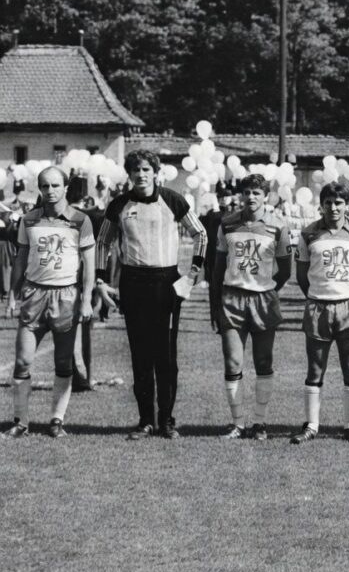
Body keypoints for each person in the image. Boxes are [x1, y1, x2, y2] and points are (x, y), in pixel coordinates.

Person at [94, 150, 208, 440]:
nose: (141, 174)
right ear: (129, 174)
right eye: (136, 170)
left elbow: (201, 234)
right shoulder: (119, 203)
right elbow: (102, 241)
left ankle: (167, 421)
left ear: (155, 172)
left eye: (146, 169)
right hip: (133, 284)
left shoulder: (172, 200)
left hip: (165, 283)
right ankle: (145, 421)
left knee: (165, 356)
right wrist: (101, 280)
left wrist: (194, 271)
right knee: (140, 355)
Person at [2, 167, 94, 438]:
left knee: (63, 362)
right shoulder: (28, 220)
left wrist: (87, 299)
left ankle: (56, 420)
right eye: (45, 186)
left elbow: (88, 264)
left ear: (66, 187)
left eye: (55, 185)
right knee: (22, 361)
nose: (50, 191)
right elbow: (20, 259)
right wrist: (11, 295)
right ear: (39, 189)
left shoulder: (80, 220)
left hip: (66, 296)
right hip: (34, 295)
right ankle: (20, 422)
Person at [289, 182, 349, 444]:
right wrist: (322, 292)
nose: (333, 207)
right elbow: (302, 277)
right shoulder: (308, 233)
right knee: (315, 369)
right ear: (322, 204)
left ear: (347, 205)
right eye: (328, 202)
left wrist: (346, 289)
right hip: (318, 306)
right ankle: (312, 425)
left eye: (339, 202)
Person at [209, 174, 292, 441]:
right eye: (247, 192)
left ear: (266, 196)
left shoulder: (279, 226)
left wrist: (265, 289)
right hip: (232, 298)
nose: (251, 197)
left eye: (257, 192)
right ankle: (237, 423)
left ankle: (259, 422)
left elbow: (285, 271)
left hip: (263, 299)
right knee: (233, 361)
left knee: (263, 361)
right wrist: (215, 305)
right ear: (241, 195)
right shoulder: (227, 224)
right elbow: (217, 269)